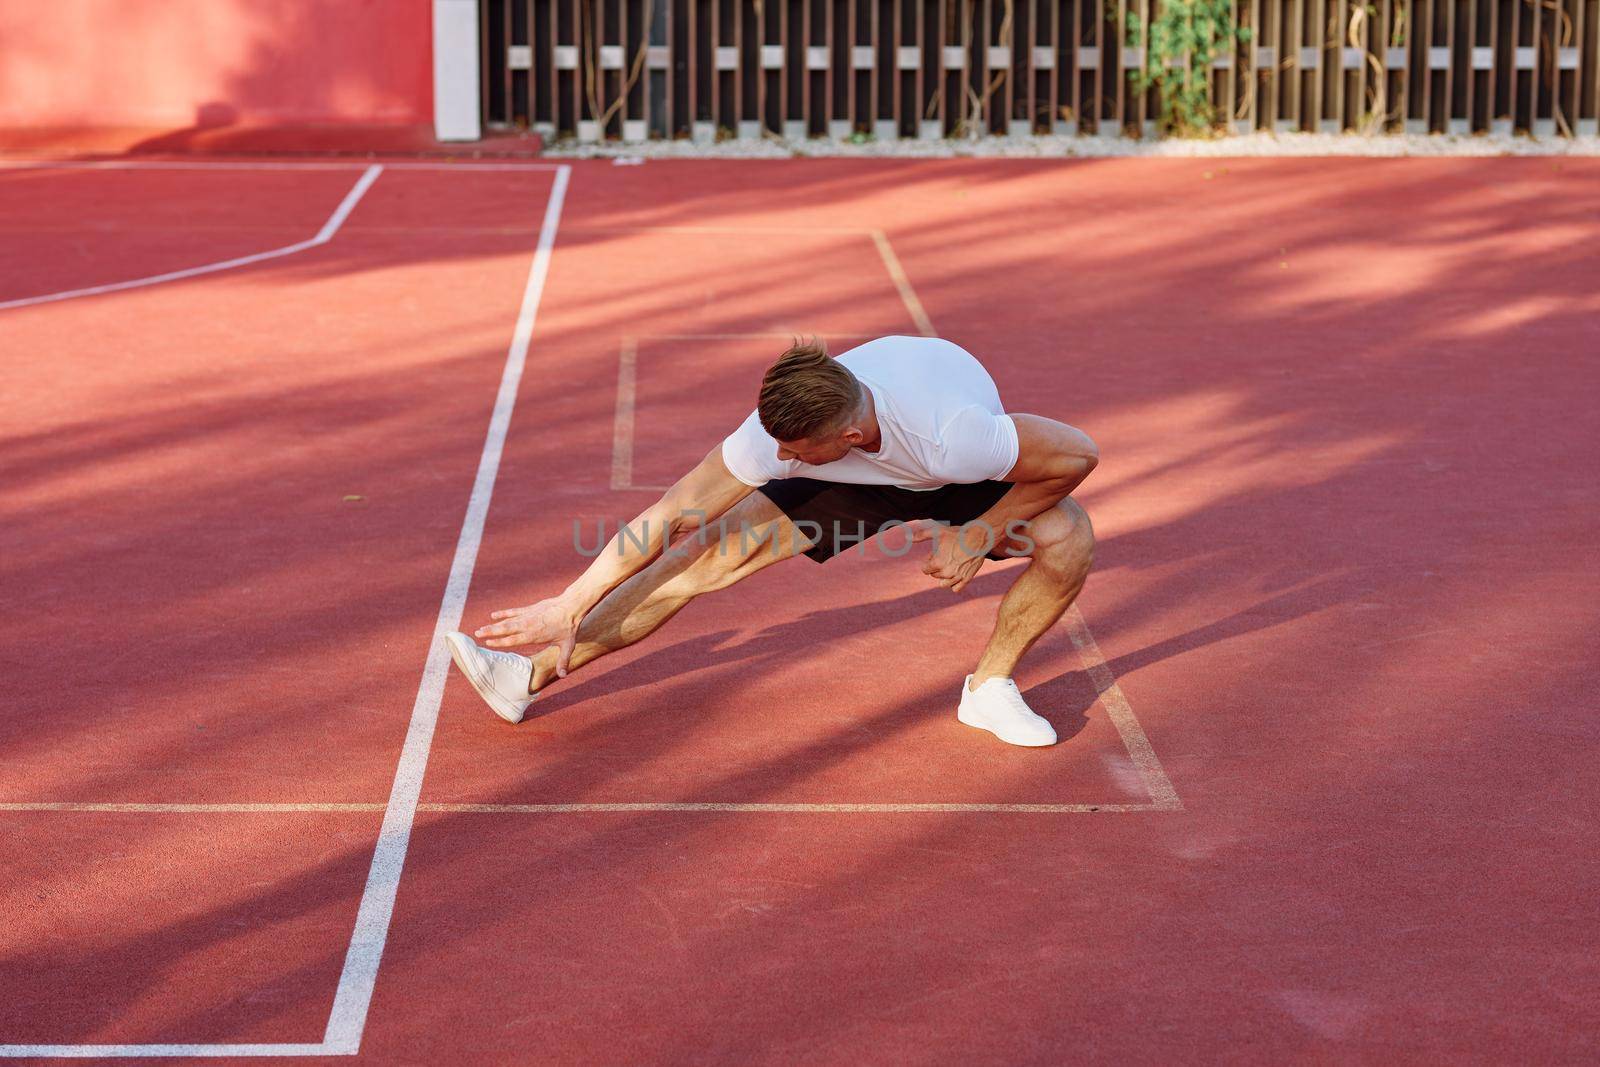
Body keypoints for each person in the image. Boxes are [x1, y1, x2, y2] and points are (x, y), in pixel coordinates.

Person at [444, 335, 1098, 747]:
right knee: (693, 562)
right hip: (854, 479)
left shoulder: (955, 434)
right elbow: (672, 514)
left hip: (951, 479)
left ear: (844, 433)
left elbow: (1075, 455)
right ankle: (521, 678)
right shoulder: (779, 439)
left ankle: (988, 689)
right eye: (774, 441)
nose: (775, 455)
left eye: (791, 448)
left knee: (1069, 538)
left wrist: (979, 531)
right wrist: (571, 598)